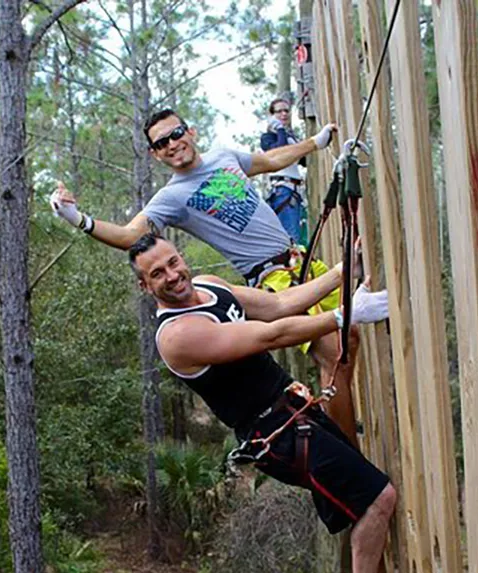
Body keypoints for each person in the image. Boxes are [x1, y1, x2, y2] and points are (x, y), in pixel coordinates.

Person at [50, 109, 362, 442]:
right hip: (273, 278)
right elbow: (130, 236)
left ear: (190, 132)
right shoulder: (172, 197)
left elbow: (267, 161)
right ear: (155, 154)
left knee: (350, 341)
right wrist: (79, 219)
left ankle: (339, 425)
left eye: (176, 133)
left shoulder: (224, 156)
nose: (172, 144)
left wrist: (314, 143)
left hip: (301, 260)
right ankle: (349, 453)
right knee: (334, 353)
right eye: (162, 143)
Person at [128, 233, 396, 573]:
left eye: (172, 262)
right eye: (157, 274)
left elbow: (279, 305)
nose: (171, 275)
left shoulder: (210, 286)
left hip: (294, 411)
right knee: (378, 498)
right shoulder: (178, 335)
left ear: (181, 257)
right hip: (276, 437)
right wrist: (343, 317)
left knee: (362, 502)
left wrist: (342, 271)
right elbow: (271, 334)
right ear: (144, 286)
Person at [260, 97, 307, 246]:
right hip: (283, 190)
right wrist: (279, 129)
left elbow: (302, 161)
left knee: (297, 238)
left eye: (286, 110)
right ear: (272, 115)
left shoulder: (290, 137)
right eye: (279, 111)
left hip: (295, 190)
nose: (284, 114)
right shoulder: (268, 138)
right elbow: (280, 153)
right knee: (291, 238)